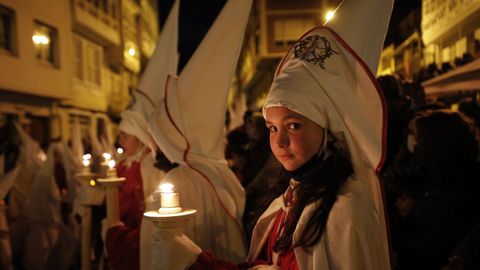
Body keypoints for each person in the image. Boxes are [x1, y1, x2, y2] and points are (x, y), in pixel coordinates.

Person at [155, 0, 393, 269]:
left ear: (326, 128)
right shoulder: (291, 197)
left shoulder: (347, 211)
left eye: (294, 125)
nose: (279, 142)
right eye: (272, 128)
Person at [393, 110, 480, 270]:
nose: (413, 143)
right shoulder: (430, 176)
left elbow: (436, 241)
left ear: (434, 142)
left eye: (417, 137)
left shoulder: (465, 184)